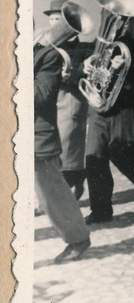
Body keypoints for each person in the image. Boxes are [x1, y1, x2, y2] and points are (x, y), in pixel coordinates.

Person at [84, 0, 134, 225]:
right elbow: (90, 74)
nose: (114, 26)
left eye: (118, 21)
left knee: (123, 157)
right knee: (95, 159)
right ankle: (100, 210)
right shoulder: (98, 44)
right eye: (109, 19)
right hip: (99, 108)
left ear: (125, 23)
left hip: (124, 109)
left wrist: (124, 70)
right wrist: (86, 67)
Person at [34, 17, 91, 263]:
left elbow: (42, 94)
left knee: (51, 194)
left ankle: (78, 239)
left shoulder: (47, 56)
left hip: (37, 138)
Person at [44, 0, 94, 199]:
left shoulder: (83, 48)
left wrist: (74, 71)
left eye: (59, 19)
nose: (55, 23)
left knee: (67, 149)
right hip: (50, 102)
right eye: (53, 19)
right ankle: (77, 177)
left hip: (70, 101)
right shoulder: (45, 44)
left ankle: (64, 191)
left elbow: (86, 75)